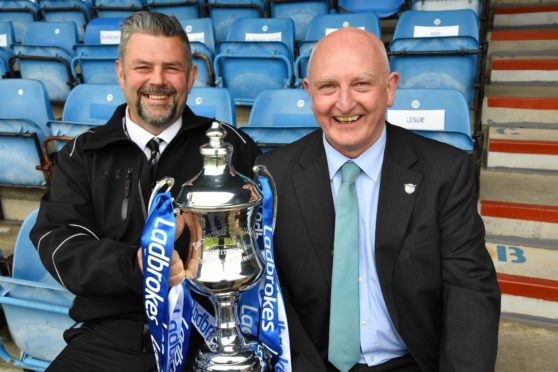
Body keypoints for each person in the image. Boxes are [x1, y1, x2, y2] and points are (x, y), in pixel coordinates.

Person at [257, 28, 501, 372]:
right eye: (328, 86)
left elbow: (470, 293)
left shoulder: (445, 173)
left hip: (410, 363)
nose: (344, 103)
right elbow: (271, 295)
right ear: (309, 93)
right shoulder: (271, 176)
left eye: (361, 84)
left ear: (390, 88)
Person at [30, 11, 260, 371]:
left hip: (212, 334)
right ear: (121, 73)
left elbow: (261, 238)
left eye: (171, 68)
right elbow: (61, 242)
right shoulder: (82, 154)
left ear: (191, 77)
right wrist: (136, 265)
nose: (158, 81)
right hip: (109, 336)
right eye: (143, 67)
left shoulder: (234, 148)